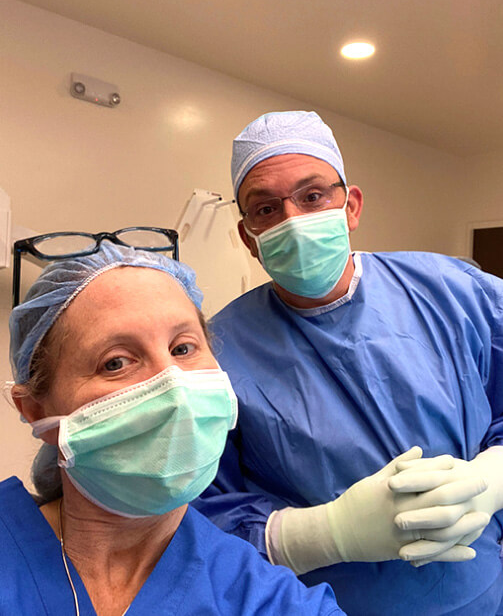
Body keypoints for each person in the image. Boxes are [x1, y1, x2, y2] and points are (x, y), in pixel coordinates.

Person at [193, 111, 503, 616]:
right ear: (248, 237)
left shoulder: (454, 292)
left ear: (350, 205)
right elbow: (192, 514)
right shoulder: (215, 351)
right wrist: (322, 535)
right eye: (266, 209)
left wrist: (494, 478)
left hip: (482, 596)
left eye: (312, 196)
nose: (292, 220)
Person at [2, 240, 344, 616]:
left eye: (183, 348)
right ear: (36, 410)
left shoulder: (265, 600)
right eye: (115, 362)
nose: (173, 386)